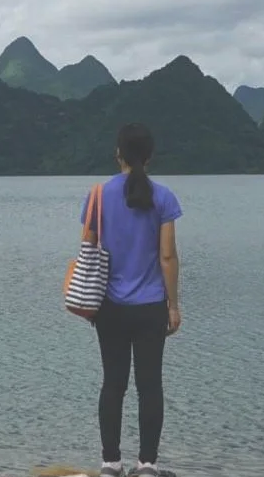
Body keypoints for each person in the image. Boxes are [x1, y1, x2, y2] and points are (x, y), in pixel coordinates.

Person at [78, 122, 183, 477]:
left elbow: (88, 248)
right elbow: (167, 257)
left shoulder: (97, 195)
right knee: (150, 385)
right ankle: (147, 465)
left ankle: (110, 463)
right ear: (150, 157)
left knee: (113, 383)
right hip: (151, 306)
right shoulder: (164, 197)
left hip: (109, 307)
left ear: (117, 154)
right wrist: (173, 305)